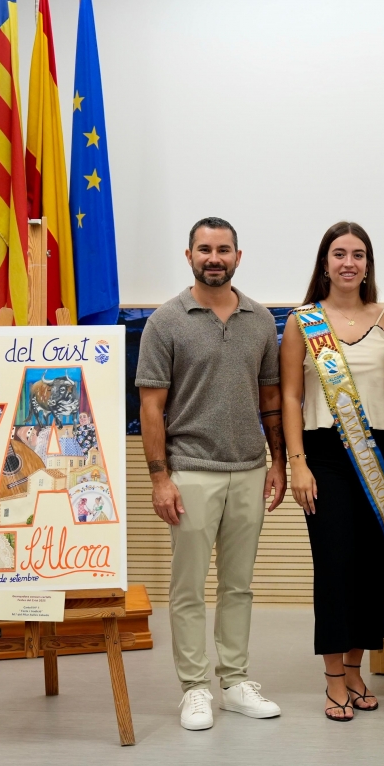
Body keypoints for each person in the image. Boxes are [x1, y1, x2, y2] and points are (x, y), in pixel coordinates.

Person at [137, 216, 287, 731]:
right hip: (190, 473)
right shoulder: (165, 322)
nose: (214, 257)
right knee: (187, 589)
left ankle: (236, 681)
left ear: (238, 257)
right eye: (205, 249)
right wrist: (160, 479)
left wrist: (279, 462)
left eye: (224, 249)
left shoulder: (262, 320)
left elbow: (271, 398)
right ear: (189, 256)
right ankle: (195, 689)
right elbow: (151, 408)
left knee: (239, 586)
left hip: (249, 469)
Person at [279, 221, 384, 722]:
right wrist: (297, 464)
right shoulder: (302, 322)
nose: (348, 262)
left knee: (373, 565)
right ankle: (333, 680)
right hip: (323, 454)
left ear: (368, 263)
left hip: (381, 453)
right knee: (334, 565)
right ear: (324, 263)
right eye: (339, 254)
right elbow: (289, 395)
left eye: (358, 254)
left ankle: (356, 669)